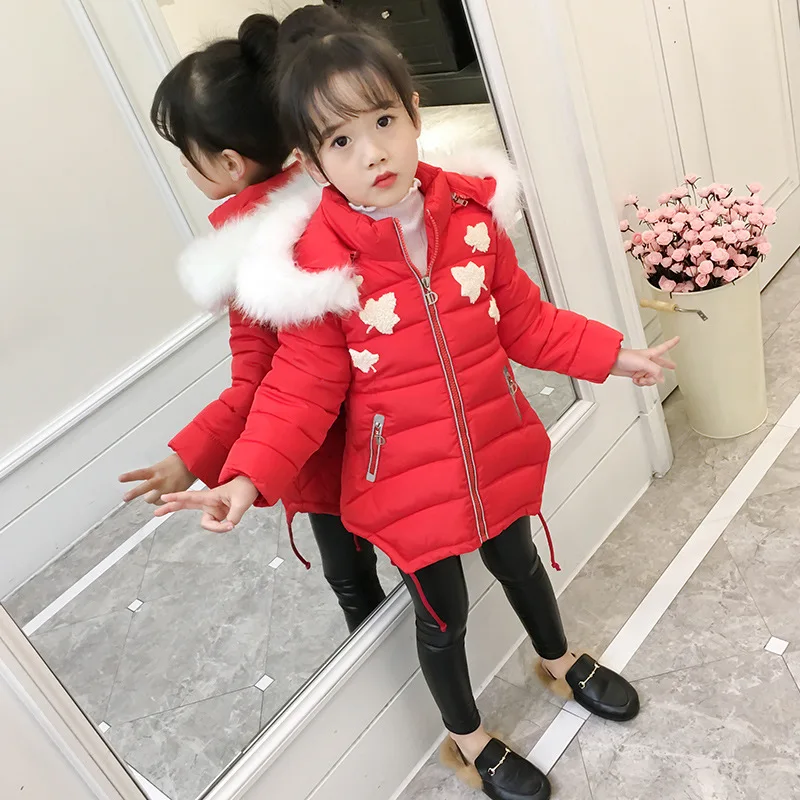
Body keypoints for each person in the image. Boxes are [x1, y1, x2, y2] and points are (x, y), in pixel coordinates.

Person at [158, 7, 678, 799]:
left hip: (492, 444)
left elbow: (526, 321)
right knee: (444, 614)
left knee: (519, 561)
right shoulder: (315, 269)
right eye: (340, 141)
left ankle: (558, 659)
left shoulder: (469, 217)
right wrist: (246, 477)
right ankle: (467, 739)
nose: (372, 152)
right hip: (399, 480)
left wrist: (614, 355)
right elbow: (298, 389)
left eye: (382, 121)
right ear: (310, 162)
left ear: (413, 112)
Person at [119, 13, 385, 633]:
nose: (186, 170)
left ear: (231, 163)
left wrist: (192, 457)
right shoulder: (337, 192)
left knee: (350, 573)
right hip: (394, 422)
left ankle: (388, 658)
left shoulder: (253, 257)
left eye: (188, 157)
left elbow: (260, 381)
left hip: (320, 445)